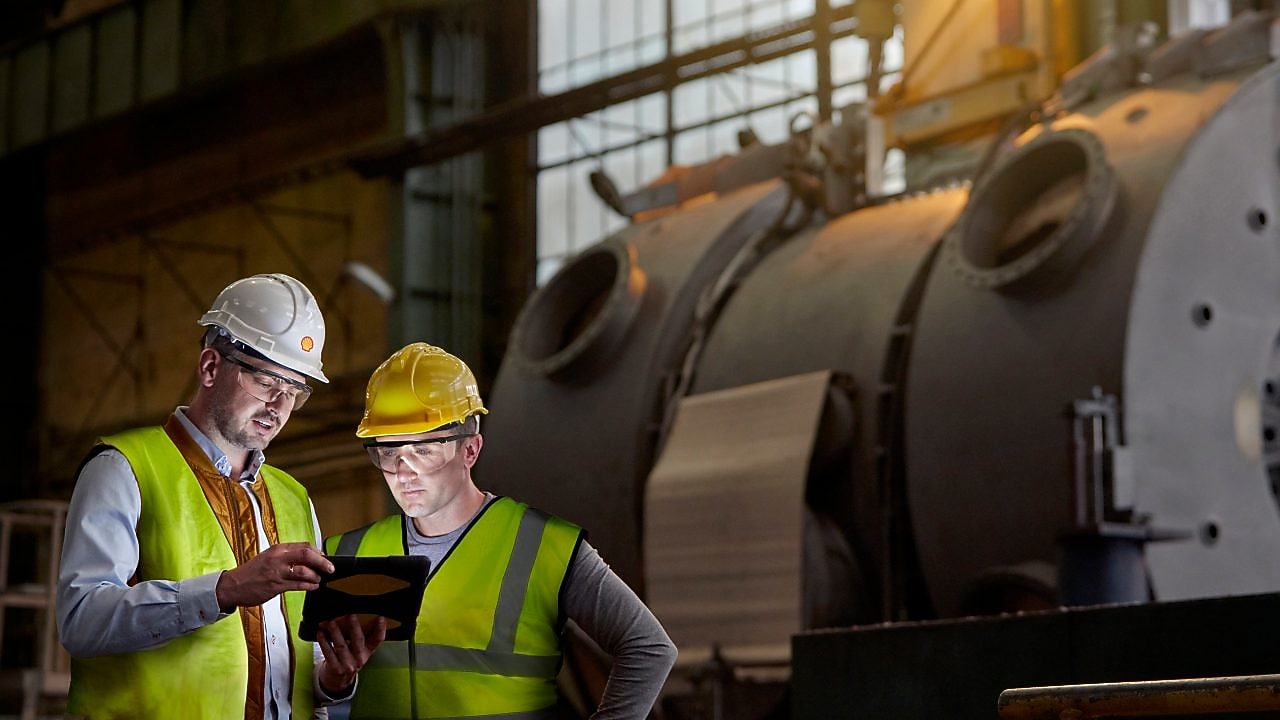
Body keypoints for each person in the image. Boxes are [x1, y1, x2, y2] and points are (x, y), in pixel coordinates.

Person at [56, 273, 386, 720]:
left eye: (294, 392)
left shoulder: (293, 498)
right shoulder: (124, 468)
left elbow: (291, 665)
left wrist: (332, 680)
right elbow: (82, 620)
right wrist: (225, 589)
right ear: (211, 367)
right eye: (267, 382)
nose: (278, 406)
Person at [325, 341, 677, 719]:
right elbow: (306, 685)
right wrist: (335, 682)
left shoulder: (543, 546)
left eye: (424, 450)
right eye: (390, 452)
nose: (404, 471)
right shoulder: (346, 553)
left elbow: (649, 648)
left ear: (470, 450)